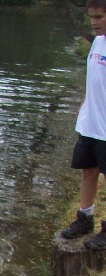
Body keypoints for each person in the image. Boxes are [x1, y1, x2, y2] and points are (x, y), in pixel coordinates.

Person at [63, 0, 106, 249]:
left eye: (99, 17)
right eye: (91, 17)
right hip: (91, 123)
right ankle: (84, 217)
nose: (94, 22)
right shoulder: (97, 42)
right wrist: (85, 109)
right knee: (88, 170)